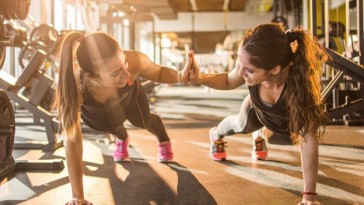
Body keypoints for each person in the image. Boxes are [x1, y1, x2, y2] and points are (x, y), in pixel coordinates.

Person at [186, 23, 329, 205]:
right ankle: (216, 134)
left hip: (284, 125)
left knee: (282, 138)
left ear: (275, 69)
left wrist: (309, 197)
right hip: (257, 111)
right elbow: (229, 81)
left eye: (250, 70)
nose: (241, 72)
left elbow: (307, 139)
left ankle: (260, 134)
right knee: (239, 124)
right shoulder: (249, 64)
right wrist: (199, 79)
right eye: (241, 64)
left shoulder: (300, 86)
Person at [53, 31, 191, 205]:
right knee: (110, 125)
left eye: (124, 62)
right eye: (115, 73)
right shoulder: (73, 81)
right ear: (92, 77)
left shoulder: (134, 62)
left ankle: (163, 139)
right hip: (98, 113)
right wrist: (77, 196)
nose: (127, 75)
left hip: (130, 97)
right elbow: (72, 138)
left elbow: (160, 72)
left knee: (142, 121)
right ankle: (122, 138)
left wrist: (181, 76)